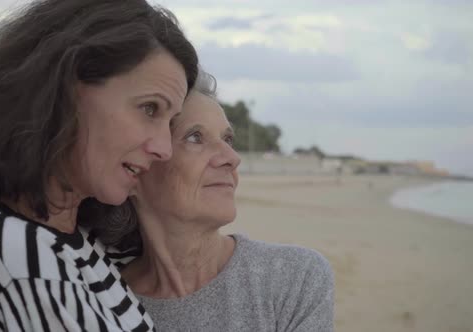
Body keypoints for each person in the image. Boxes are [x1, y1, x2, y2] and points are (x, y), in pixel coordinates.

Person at [0, 0, 198, 330]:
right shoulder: (21, 260)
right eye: (150, 109)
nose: (164, 148)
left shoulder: (73, 237)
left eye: (171, 122)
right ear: (66, 91)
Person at [79, 72, 335, 331]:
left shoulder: (293, 278)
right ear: (135, 169)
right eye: (195, 137)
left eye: (227, 139)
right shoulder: (96, 304)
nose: (232, 158)